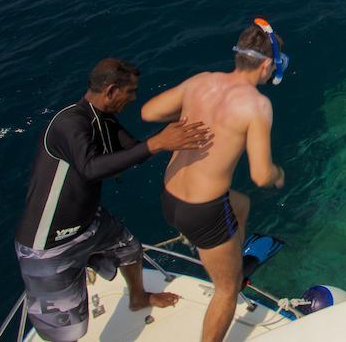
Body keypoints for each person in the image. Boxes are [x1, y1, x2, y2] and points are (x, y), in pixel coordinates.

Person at [15, 58, 213, 342]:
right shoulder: (70, 123)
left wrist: (186, 133)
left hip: (89, 223)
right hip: (48, 245)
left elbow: (134, 150)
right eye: (129, 92)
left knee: (130, 249)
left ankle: (138, 297)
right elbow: (91, 168)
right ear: (110, 91)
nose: (133, 98)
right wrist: (157, 143)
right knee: (68, 332)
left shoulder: (103, 120)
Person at [142, 19, 288, 342]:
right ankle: (231, 273)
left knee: (241, 204)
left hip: (170, 197)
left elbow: (149, 113)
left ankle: (233, 251)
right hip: (204, 212)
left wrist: (188, 115)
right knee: (227, 290)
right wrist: (278, 175)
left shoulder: (201, 82)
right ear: (266, 65)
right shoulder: (258, 105)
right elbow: (260, 175)